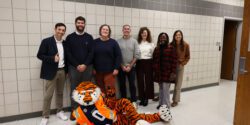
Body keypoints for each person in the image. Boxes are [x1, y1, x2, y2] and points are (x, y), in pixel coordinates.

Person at [37, 23, 68, 125]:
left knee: (60, 93)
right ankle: (45, 116)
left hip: (62, 71)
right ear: (55, 29)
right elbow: (40, 55)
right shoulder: (46, 41)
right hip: (51, 72)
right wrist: (52, 58)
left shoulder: (65, 43)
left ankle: (59, 111)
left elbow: (67, 58)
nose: (61, 32)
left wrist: (66, 71)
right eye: (59, 29)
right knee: (48, 95)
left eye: (63, 30)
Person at [64, 16, 94, 120]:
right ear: (75, 24)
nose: (80, 24)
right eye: (79, 23)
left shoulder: (89, 37)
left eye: (82, 23)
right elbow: (68, 54)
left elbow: (91, 53)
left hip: (87, 67)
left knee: (86, 90)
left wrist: (85, 64)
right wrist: (77, 65)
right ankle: (74, 111)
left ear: (84, 24)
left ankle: (85, 110)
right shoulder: (70, 37)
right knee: (74, 89)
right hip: (73, 68)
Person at [93, 24, 122, 94]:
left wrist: (116, 68)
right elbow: (92, 56)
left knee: (110, 90)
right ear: (100, 31)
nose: (105, 31)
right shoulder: (95, 42)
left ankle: (111, 105)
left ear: (109, 32)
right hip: (98, 72)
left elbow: (118, 56)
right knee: (100, 90)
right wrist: (93, 68)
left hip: (110, 72)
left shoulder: (113, 42)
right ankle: (102, 104)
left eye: (107, 30)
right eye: (103, 29)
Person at [152, 32, 177, 109]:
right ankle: (161, 104)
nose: (163, 38)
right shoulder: (157, 49)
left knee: (166, 90)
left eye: (164, 37)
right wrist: (154, 69)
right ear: (159, 38)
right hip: (159, 73)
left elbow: (174, 60)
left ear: (167, 38)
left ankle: (166, 106)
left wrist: (173, 72)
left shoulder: (171, 48)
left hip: (167, 72)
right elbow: (154, 60)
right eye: (161, 37)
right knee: (161, 89)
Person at [117, 24, 140, 105]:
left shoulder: (134, 41)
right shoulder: (118, 41)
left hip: (131, 67)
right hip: (121, 67)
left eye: (128, 29)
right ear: (122, 30)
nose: (126, 30)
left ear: (130, 31)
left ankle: (133, 100)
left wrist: (130, 66)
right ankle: (124, 101)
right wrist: (122, 66)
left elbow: (137, 55)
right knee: (122, 85)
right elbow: (117, 55)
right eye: (125, 29)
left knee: (132, 84)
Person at [170, 30, 190, 107]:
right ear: (174, 36)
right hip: (171, 66)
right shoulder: (171, 44)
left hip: (179, 66)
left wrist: (182, 64)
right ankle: (163, 98)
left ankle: (175, 100)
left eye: (179, 35)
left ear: (181, 36)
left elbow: (188, 57)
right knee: (167, 83)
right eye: (176, 35)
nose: (178, 36)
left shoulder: (186, 45)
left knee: (178, 84)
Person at [136, 27, 155, 106]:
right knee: (140, 81)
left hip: (148, 62)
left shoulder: (151, 44)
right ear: (140, 34)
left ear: (148, 35)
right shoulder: (137, 43)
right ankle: (142, 98)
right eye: (143, 33)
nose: (144, 34)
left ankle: (147, 98)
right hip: (139, 62)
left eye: (146, 33)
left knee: (148, 81)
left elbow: (154, 55)